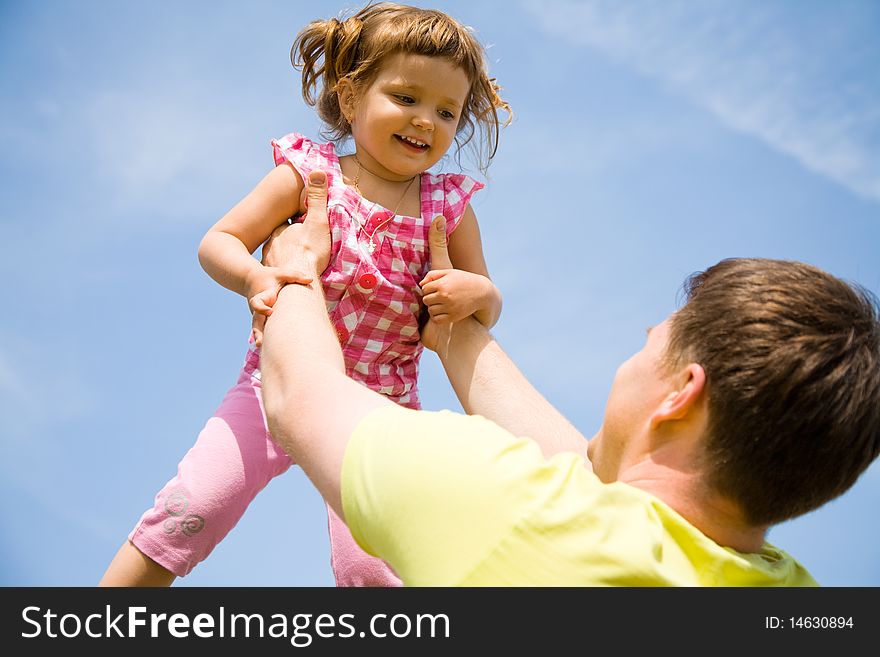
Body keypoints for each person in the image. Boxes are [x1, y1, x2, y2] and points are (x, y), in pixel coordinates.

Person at [256, 171, 880, 585]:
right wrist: (449, 330)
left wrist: (297, 267)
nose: (632, 356)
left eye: (648, 347)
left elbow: (300, 399)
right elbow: (592, 480)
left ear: (682, 394)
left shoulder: (503, 508)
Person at [99, 2, 511, 587]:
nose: (426, 121)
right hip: (276, 384)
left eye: (447, 111)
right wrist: (254, 277)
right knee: (192, 507)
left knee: (373, 566)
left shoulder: (449, 207)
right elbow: (219, 240)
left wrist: (475, 292)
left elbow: (487, 304)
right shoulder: (310, 173)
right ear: (350, 98)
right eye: (407, 98)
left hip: (379, 410)